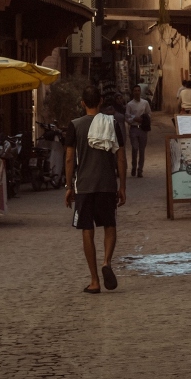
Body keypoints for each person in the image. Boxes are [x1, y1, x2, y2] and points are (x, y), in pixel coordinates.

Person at [65, 84, 126, 294]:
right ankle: (106, 261)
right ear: (100, 101)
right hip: (107, 184)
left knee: (87, 230)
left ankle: (94, 281)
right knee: (109, 225)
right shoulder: (112, 123)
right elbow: (121, 157)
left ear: (82, 103)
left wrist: (68, 186)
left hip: (84, 186)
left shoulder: (74, 125)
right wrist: (122, 186)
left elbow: (70, 158)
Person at [125, 84, 152, 177]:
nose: (137, 92)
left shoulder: (145, 103)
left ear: (140, 92)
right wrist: (134, 118)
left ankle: (140, 170)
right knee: (135, 148)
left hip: (143, 129)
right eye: (135, 91)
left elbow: (149, 113)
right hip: (133, 128)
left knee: (142, 150)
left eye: (138, 90)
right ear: (132, 92)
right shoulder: (129, 104)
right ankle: (134, 166)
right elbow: (127, 117)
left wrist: (144, 119)